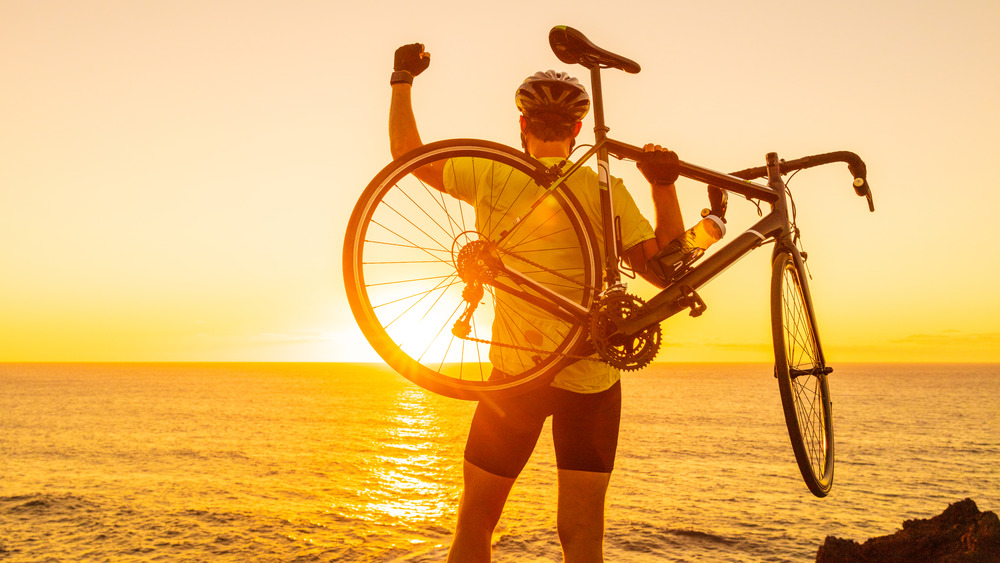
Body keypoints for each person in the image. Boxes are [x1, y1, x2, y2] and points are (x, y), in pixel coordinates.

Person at [387, 43, 693, 563]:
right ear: (576, 133)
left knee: (476, 524)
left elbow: (408, 157)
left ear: (522, 127)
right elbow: (666, 271)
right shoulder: (606, 190)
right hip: (593, 378)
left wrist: (401, 80)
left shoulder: (491, 172)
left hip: (516, 374)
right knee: (581, 538)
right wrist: (664, 186)